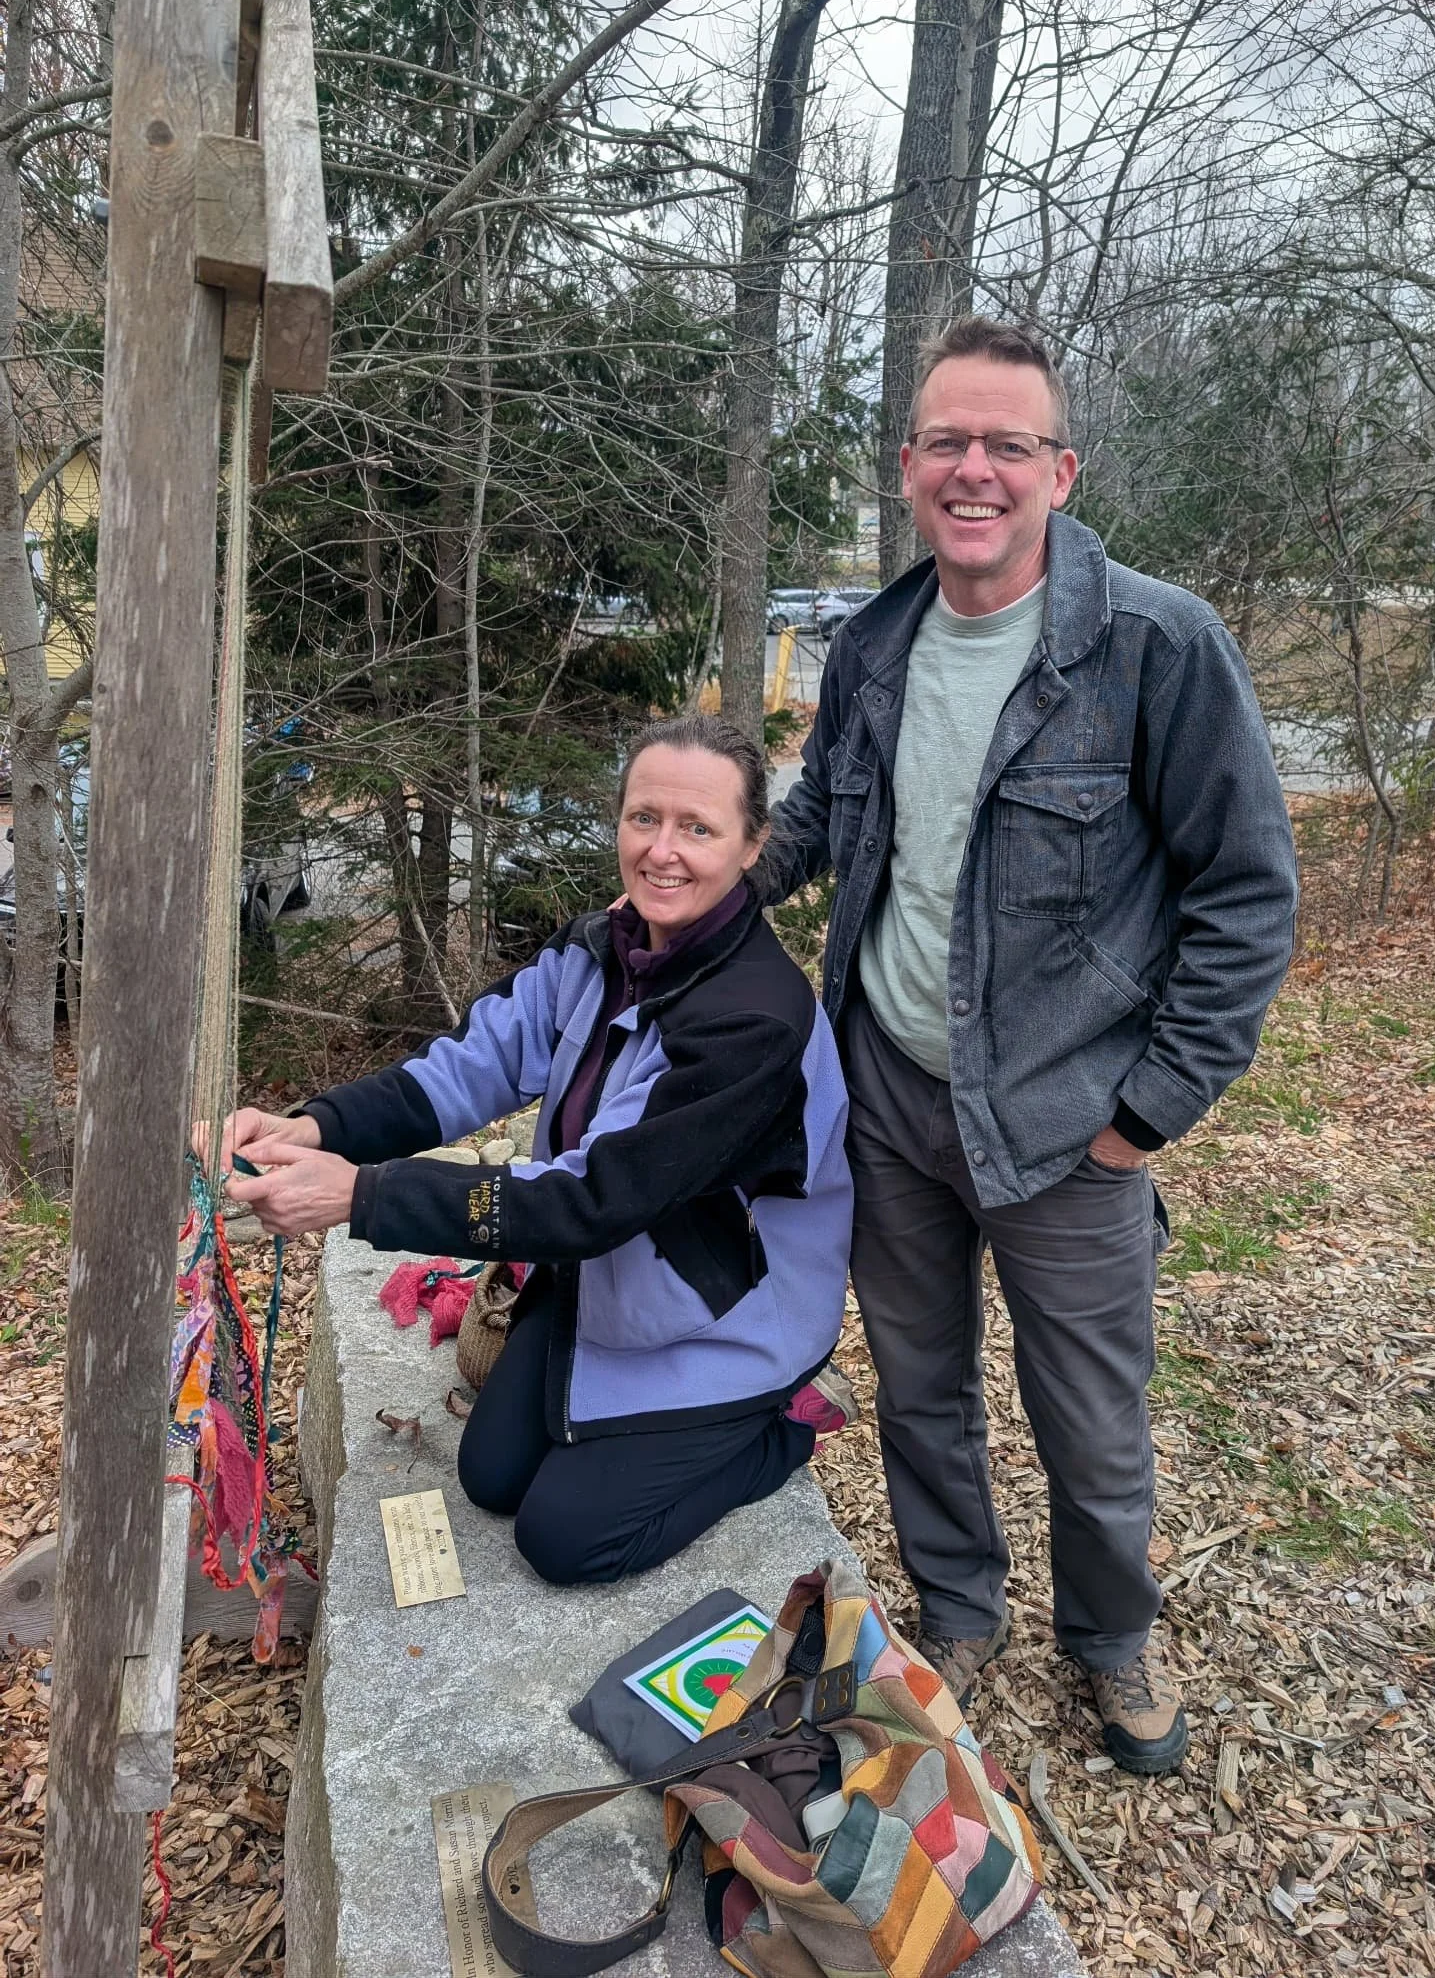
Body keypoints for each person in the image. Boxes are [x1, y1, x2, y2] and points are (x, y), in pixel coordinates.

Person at [761, 315, 1298, 1772]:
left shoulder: (1154, 645)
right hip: (889, 1088)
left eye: (1007, 444)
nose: (974, 470)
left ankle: (1111, 1638)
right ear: (908, 465)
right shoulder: (871, 645)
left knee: (1089, 1409)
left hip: (1070, 1116)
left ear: (1062, 469)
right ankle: (958, 1605)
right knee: (919, 1376)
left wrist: (1154, 1105)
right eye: (948, 441)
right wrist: (705, 875)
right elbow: (820, 821)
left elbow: (1244, 891)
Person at [216, 716, 855, 1586]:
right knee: (489, 1477)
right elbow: (466, 1069)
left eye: (698, 828)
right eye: (644, 818)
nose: (663, 850)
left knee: (565, 1539)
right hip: (614, 1275)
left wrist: (361, 1197)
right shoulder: (604, 946)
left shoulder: (755, 1019)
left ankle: (779, 1428)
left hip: (730, 1310)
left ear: (752, 846)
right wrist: (317, 1128)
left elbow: (589, 1199)